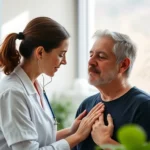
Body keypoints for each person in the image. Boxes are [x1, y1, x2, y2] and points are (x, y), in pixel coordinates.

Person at [0, 17, 105, 150]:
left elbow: (40, 140)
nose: (64, 61)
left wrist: (71, 131)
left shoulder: (34, 85)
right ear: (40, 52)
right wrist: (77, 137)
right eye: (61, 54)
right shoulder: (13, 93)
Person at [72, 30, 150, 150]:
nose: (90, 62)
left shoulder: (144, 107)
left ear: (123, 65)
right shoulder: (86, 105)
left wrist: (106, 142)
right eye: (91, 55)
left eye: (101, 56)